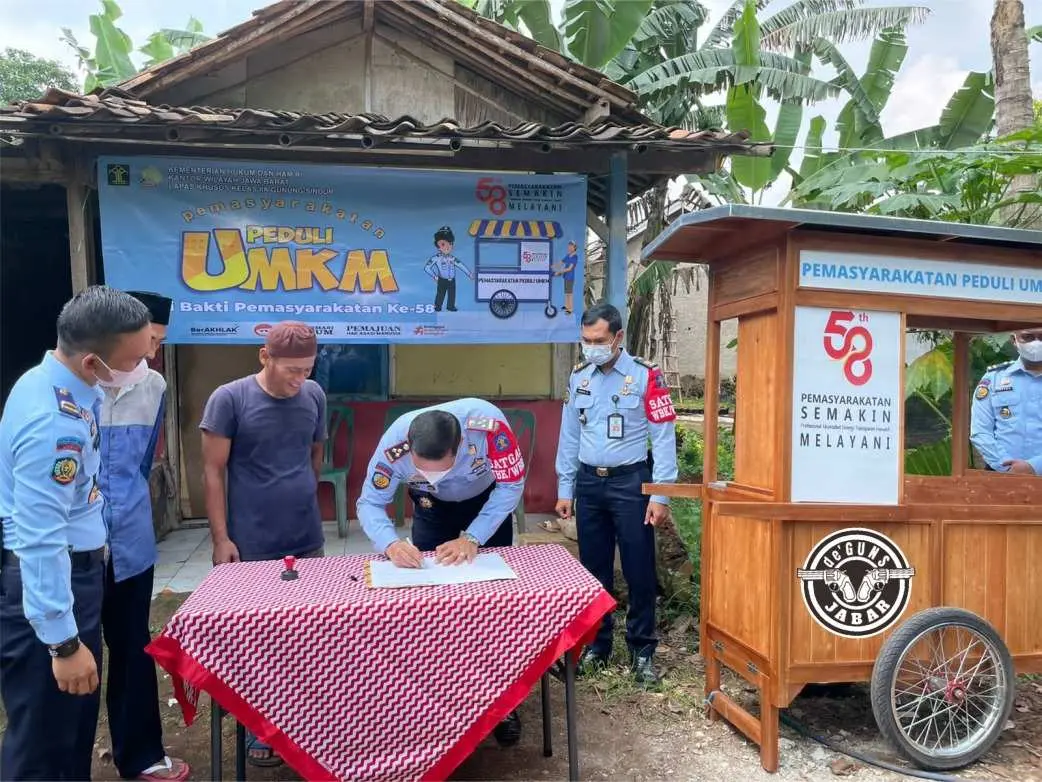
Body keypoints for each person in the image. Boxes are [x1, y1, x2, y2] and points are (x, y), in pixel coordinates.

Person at [0, 286, 153, 780]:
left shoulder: (52, 384)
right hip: (52, 583)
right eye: (133, 360)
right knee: (48, 741)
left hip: (72, 578)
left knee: (68, 731)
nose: (144, 366)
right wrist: (62, 643)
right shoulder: (54, 424)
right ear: (92, 362)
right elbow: (39, 536)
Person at [356, 398, 526, 745]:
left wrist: (473, 537)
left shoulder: (488, 427)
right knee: (429, 604)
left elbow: (511, 484)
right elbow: (371, 501)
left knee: (493, 607)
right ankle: (435, 699)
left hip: (485, 504)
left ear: (460, 445)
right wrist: (390, 543)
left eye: (442, 468)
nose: (435, 476)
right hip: (430, 508)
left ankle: (502, 704)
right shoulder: (394, 444)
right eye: (424, 469)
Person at [199, 320, 327, 767]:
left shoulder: (314, 395)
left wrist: (302, 495)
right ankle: (260, 727)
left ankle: (307, 721)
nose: (300, 379)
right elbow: (212, 472)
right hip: (251, 541)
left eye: (307, 370)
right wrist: (221, 538)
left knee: (309, 633)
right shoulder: (229, 399)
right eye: (292, 370)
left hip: (306, 537)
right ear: (264, 357)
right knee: (259, 640)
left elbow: (314, 453)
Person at [554, 301, 678, 688]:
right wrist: (565, 487)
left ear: (618, 337)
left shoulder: (645, 375)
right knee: (594, 569)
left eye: (599, 340)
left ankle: (642, 650)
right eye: (586, 340)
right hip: (590, 484)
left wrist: (660, 494)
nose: (591, 347)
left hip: (631, 484)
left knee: (639, 569)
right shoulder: (579, 377)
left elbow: (663, 436)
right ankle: (597, 645)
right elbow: (570, 435)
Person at [96, 291, 190, 782]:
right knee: (74, 654)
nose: (152, 354)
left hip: (130, 541)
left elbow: (141, 461)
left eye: (159, 343)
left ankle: (141, 754)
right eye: (149, 341)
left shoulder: (154, 385)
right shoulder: (69, 387)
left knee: (133, 646)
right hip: (76, 548)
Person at [970, 327, 1042, 475]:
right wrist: (1007, 467)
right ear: (1013, 340)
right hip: (1001, 475)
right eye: (1028, 337)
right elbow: (980, 432)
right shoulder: (993, 379)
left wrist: (1034, 467)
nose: (1036, 343)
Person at [422, 226, 473, 312]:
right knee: (440, 294)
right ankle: (438, 306)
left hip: (452, 280)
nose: (447, 246)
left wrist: (469, 274)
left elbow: (461, 265)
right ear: (438, 246)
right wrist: (434, 276)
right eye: (443, 244)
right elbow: (427, 267)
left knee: (452, 294)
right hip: (442, 280)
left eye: (450, 243)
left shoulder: (452, 258)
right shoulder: (436, 258)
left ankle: (450, 306)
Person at [554, 240, 580, 315]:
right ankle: (566, 306)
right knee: (566, 292)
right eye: (569, 246)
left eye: (571, 246)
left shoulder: (575, 257)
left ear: (574, 247)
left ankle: (570, 309)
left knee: (569, 293)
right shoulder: (568, 255)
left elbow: (569, 268)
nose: (569, 247)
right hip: (566, 276)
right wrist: (553, 267)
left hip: (570, 277)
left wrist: (560, 271)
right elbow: (561, 262)